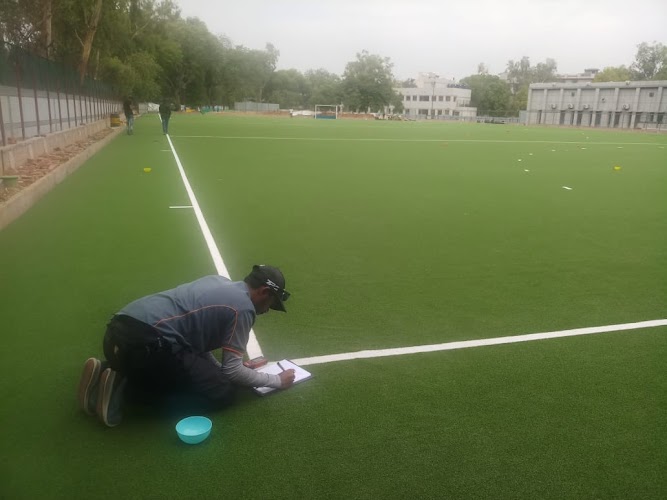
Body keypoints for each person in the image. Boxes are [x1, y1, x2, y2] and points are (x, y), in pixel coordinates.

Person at [77, 265, 295, 427]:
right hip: (144, 346)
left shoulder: (218, 280)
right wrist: (277, 381)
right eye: (271, 303)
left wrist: (217, 371)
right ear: (264, 292)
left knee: (211, 376)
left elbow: (196, 344)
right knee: (223, 392)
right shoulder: (243, 307)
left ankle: (111, 368)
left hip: (117, 334)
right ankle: (126, 389)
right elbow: (232, 371)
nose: (268, 310)